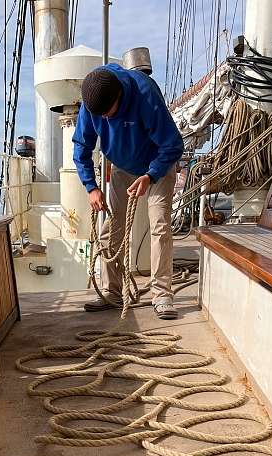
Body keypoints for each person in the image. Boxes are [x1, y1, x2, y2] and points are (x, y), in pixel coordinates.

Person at [72, 63, 184, 320]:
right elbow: (81, 148)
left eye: (109, 115)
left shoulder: (145, 94)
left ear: (119, 97)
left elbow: (173, 144)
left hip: (158, 163)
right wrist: (91, 187)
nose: (105, 120)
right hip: (122, 167)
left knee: (160, 226)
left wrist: (150, 175)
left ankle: (162, 294)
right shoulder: (93, 105)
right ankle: (113, 292)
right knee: (112, 229)